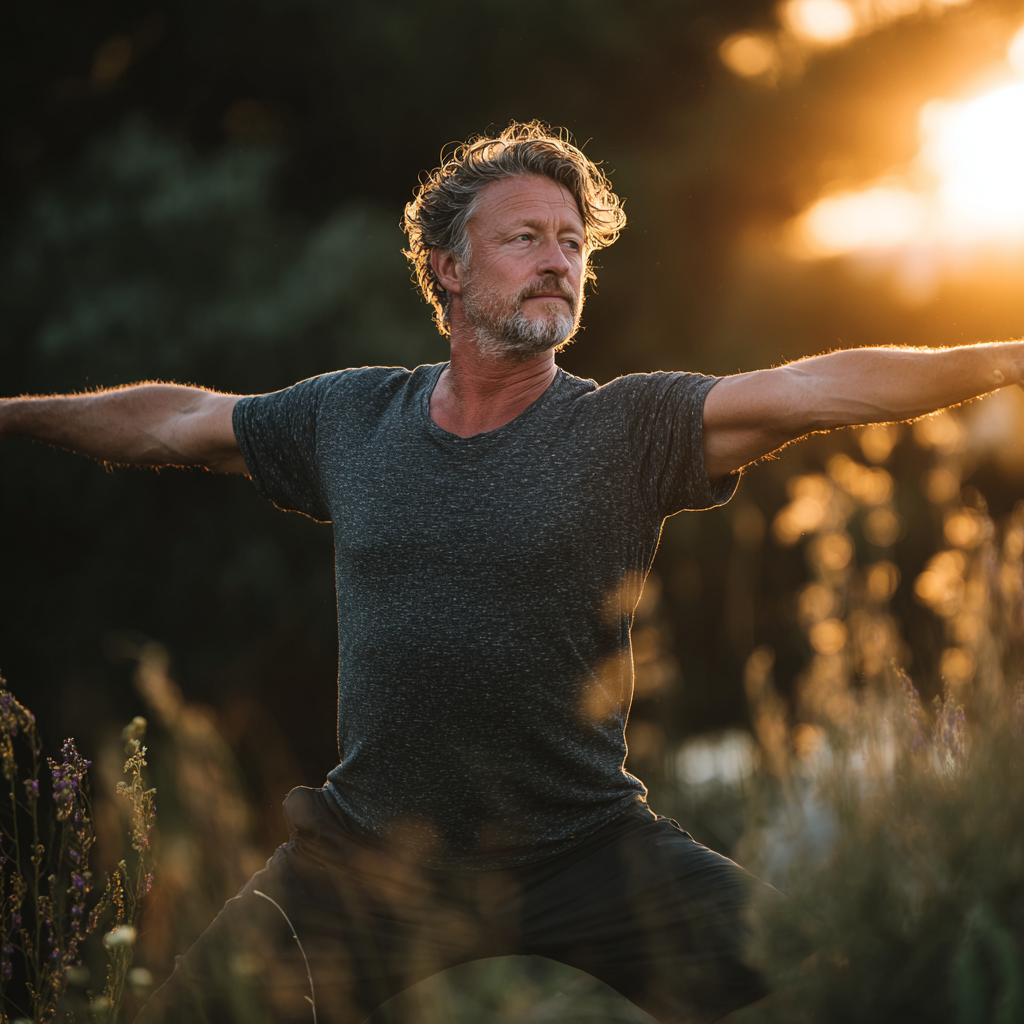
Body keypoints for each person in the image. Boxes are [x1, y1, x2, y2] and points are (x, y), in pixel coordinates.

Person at [1, 121, 1021, 1024]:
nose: (559, 259)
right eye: (526, 237)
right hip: (365, 855)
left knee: (836, 985)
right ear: (445, 266)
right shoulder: (348, 418)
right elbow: (175, 422)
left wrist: (1004, 358)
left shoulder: (627, 427)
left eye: (573, 242)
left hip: (584, 847)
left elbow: (806, 390)